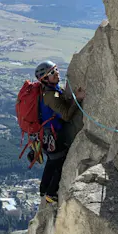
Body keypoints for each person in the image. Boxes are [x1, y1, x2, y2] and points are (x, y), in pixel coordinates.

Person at [34, 60, 85, 203]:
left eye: (55, 69)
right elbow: (67, 115)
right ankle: (51, 193)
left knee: (52, 162)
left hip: (46, 135)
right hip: (52, 137)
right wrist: (78, 99)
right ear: (44, 79)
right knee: (60, 161)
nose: (56, 73)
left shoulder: (49, 91)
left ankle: (44, 189)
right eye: (51, 73)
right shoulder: (51, 95)